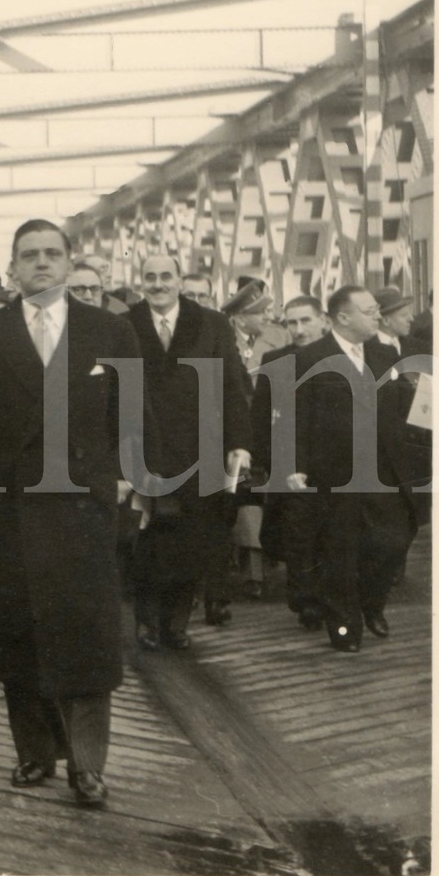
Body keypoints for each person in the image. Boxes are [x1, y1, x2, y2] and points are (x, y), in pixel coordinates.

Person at [0, 219, 144, 809]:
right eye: (29, 256)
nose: (41, 264)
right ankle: (34, 751)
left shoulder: (110, 331)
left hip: (83, 504)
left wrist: (128, 479)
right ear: (12, 268)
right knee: (20, 630)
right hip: (8, 504)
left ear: (69, 263)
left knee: (86, 635)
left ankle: (87, 766)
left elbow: (131, 414)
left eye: (52, 254)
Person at [124, 255, 251, 652]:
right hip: (142, 447)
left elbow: (232, 386)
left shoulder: (211, 324)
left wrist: (239, 444)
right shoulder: (125, 324)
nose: (158, 284)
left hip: (200, 450)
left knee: (193, 540)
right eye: (150, 277)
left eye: (166, 276)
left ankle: (177, 623)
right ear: (140, 282)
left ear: (180, 279)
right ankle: (146, 622)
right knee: (145, 542)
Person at [284, 286, 419, 651]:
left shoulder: (384, 352)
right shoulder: (310, 358)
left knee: (394, 540)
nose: (378, 316)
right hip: (333, 473)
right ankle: (345, 629)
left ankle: (371, 603)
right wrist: (294, 466)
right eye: (370, 310)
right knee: (339, 552)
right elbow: (295, 417)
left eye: (377, 310)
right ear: (343, 317)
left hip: (384, 469)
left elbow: (408, 401)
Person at [253, 295, 330, 628]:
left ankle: (332, 597)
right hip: (291, 464)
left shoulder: (343, 357)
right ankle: (307, 602)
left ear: (323, 320)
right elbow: (259, 416)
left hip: (338, 465)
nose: (299, 329)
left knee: (332, 535)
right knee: (299, 535)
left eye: (305, 321)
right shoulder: (275, 360)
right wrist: (270, 461)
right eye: (292, 323)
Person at [223, 281, 286, 602]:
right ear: (239, 317)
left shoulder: (278, 337)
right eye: (260, 312)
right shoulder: (222, 340)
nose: (267, 316)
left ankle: (263, 558)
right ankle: (252, 571)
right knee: (244, 490)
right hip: (232, 430)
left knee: (264, 490)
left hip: (269, 425)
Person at [374, 287, 416, 355]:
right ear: (386, 320)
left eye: (410, 314)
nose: (411, 319)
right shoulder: (364, 349)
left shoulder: (417, 347)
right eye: (404, 315)